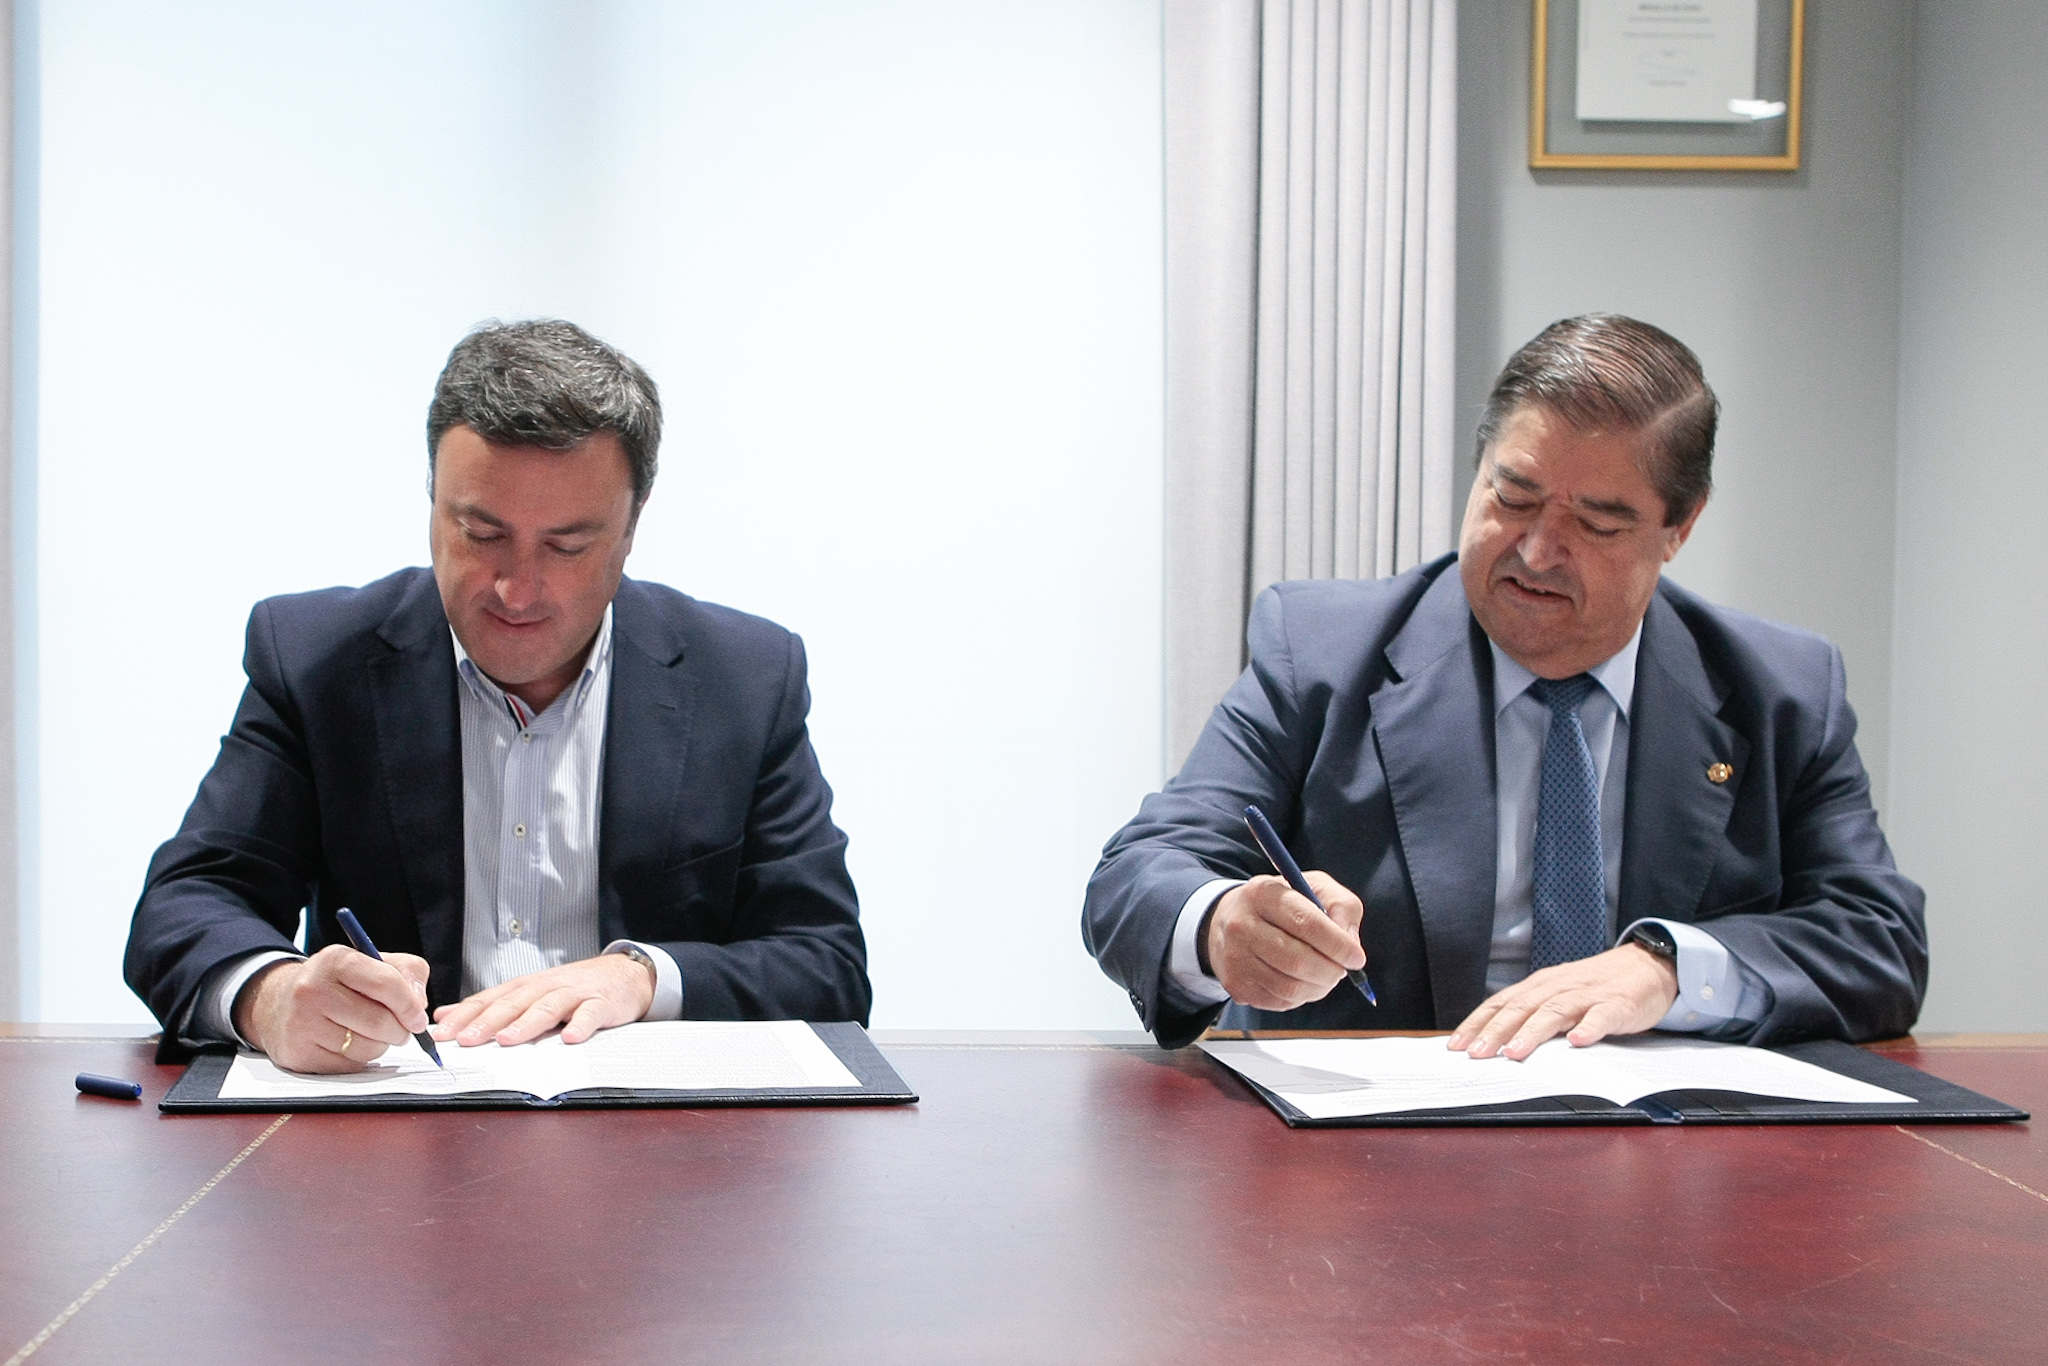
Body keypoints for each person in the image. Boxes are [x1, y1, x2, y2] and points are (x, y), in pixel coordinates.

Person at [1084, 314, 1926, 1054]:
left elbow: (1879, 941)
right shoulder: (1321, 651)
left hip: (1657, 1146)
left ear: (1679, 526)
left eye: (1596, 524)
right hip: (1374, 1149)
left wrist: (1670, 968)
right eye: (1513, 496)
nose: (1536, 551)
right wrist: (1220, 923)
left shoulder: (1782, 690)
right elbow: (1137, 875)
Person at [126, 319, 869, 1070]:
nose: (517, 589)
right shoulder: (316, 660)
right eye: (482, 535)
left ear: (632, 524)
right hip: (398, 1123)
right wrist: (271, 996)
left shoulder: (744, 679)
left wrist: (644, 977)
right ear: (432, 501)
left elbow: (826, 964)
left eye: (566, 546)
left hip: (651, 1129)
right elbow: (184, 908)